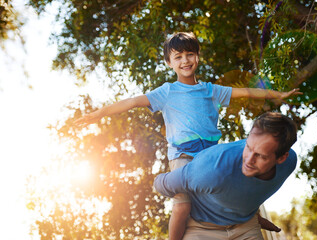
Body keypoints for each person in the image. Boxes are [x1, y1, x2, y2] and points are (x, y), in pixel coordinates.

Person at [74, 32, 301, 240]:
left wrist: (278, 95)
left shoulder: (211, 90)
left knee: (235, 187)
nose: (185, 61)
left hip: (210, 155)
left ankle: (251, 218)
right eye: (178, 56)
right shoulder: (167, 92)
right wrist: (98, 114)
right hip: (183, 155)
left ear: (197, 57)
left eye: (189, 54)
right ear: (169, 62)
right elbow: (132, 102)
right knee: (182, 207)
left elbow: (248, 92)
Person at [154, 112, 298, 239]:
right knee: (181, 205)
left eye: (260, 156)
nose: (249, 160)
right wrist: (182, 194)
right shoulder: (212, 168)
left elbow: (244, 190)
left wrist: (256, 218)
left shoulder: (289, 163)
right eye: (248, 147)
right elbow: (160, 183)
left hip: (245, 226)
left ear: (281, 158)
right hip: (202, 226)